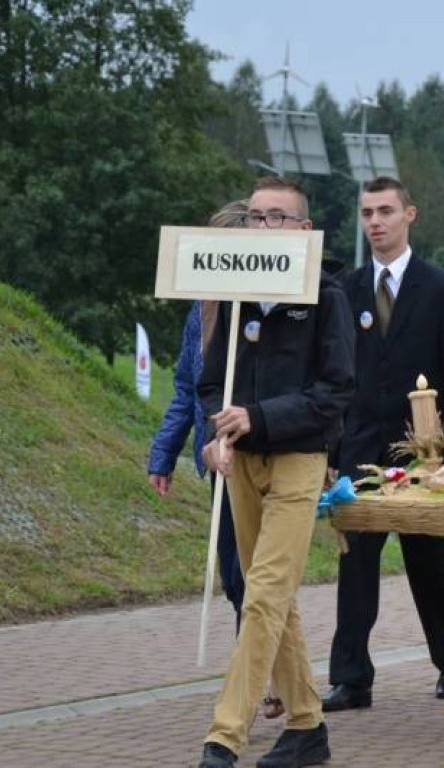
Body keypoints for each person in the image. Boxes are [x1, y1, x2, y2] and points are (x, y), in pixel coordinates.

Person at [196, 176, 356, 768]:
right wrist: (218, 434)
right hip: (241, 465)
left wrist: (257, 417)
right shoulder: (237, 295)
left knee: (263, 595)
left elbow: (335, 391)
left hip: (298, 461)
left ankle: (224, 736)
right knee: (276, 600)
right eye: (256, 218)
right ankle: (308, 728)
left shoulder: (326, 296)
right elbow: (212, 381)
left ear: (304, 230)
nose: (264, 228)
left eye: (277, 218)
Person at [322, 176, 444, 712]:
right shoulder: (347, 288)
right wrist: (331, 453)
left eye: (385, 211)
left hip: (424, 450)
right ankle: (351, 678)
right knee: (356, 562)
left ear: (410, 214)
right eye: (367, 213)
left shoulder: (441, 288)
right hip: (360, 447)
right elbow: (335, 372)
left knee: (431, 560)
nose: (375, 223)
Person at [148, 200, 247, 634]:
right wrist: (163, 452)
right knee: (230, 572)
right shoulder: (201, 307)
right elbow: (187, 385)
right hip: (215, 455)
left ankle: (264, 675)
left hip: (259, 450)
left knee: (253, 575)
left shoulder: (269, 308)